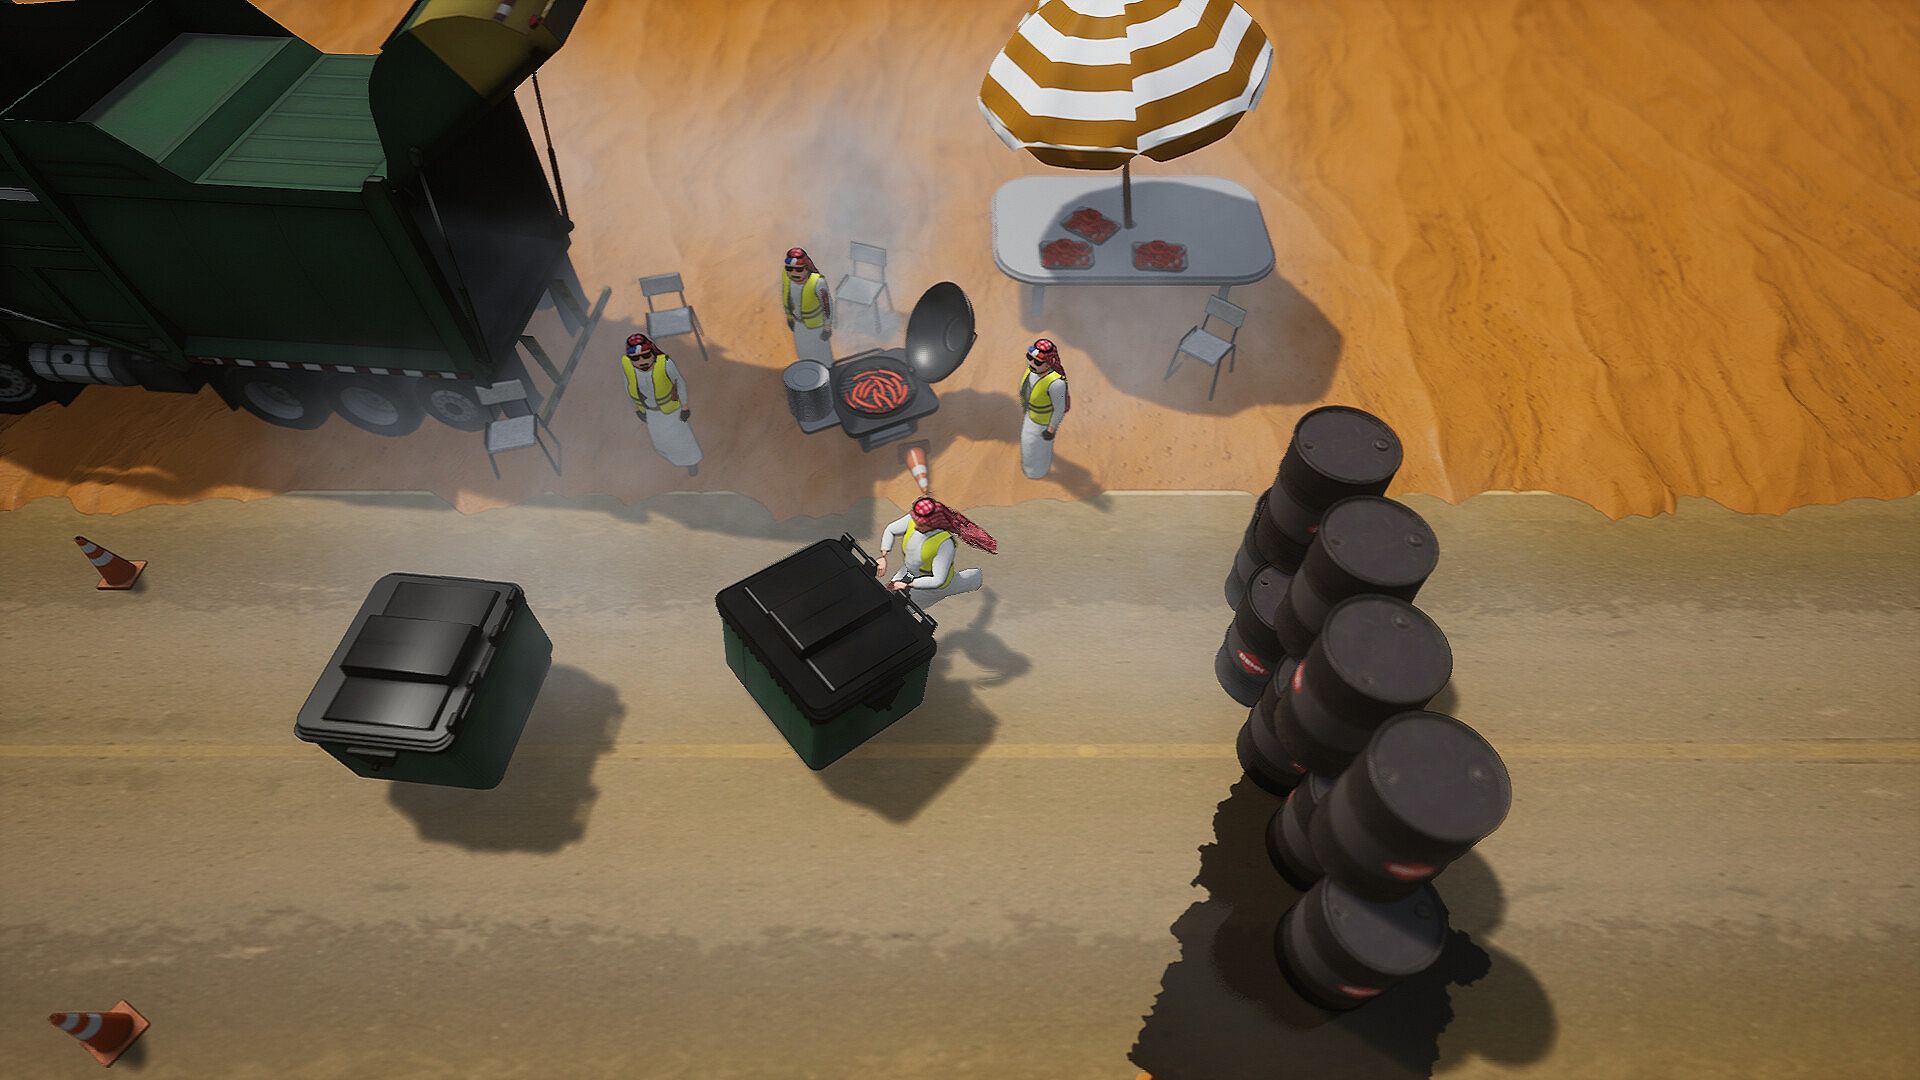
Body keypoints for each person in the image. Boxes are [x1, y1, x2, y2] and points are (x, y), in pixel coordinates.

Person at [874, 496, 997, 608]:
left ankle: (980, 577)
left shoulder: (945, 544)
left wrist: (907, 585)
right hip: (910, 571)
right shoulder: (915, 520)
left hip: (932, 586)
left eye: (921, 524)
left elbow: (938, 580)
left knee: (902, 608)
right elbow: (891, 530)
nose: (915, 526)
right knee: (885, 596)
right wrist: (883, 556)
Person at [621, 332, 702, 476]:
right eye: (635, 358)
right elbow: (628, 386)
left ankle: (691, 462)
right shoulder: (627, 368)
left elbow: (680, 383)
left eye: (646, 355)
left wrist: (684, 407)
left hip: (672, 410)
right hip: (651, 412)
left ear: (652, 353)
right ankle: (676, 461)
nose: (641, 361)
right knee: (661, 441)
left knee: (681, 438)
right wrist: (637, 409)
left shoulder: (666, 364)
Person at [1018, 338, 1070, 480]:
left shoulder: (1056, 383)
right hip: (1030, 416)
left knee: (1040, 449)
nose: (1031, 363)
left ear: (1048, 363)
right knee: (1027, 446)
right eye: (1029, 358)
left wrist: (1050, 430)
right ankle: (1029, 470)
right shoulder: (1031, 372)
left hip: (1043, 423)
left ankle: (1038, 473)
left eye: (1038, 362)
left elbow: (1059, 409)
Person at [781, 246, 834, 364]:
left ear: (807, 268)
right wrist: (789, 317)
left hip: (816, 326)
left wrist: (827, 326)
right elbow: (785, 295)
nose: (793, 273)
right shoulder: (786, 277)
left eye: (799, 270)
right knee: (802, 351)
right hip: (798, 324)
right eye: (789, 269)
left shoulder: (818, 282)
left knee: (822, 354)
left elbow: (827, 305)